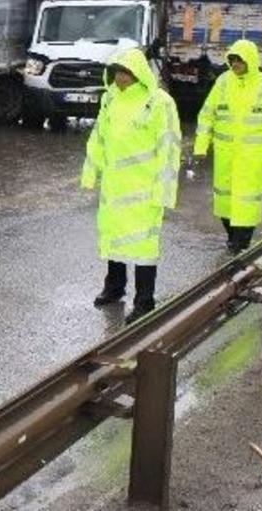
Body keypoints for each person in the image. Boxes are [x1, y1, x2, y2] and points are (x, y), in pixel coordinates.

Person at [81, 47, 181, 324]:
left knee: (144, 247)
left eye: (126, 72)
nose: (121, 78)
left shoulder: (159, 102)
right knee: (114, 240)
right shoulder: (110, 100)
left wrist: (164, 189)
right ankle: (114, 288)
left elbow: (169, 148)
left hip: (145, 190)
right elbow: (98, 138)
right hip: (114, 189)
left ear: (139, 72)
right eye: (117, 72)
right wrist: (91, 173)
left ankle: (144, 301)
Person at [192, 40, 262, 253]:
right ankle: (233, 238)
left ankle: (241, 243)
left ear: (250, 61)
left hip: (253, 158)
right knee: (224, 202)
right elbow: (207, 114)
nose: (235, 64)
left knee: (248, 202)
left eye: (240, 60)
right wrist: (201, 145)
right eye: (232, 60)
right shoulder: (223, 82)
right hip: (226, 154)